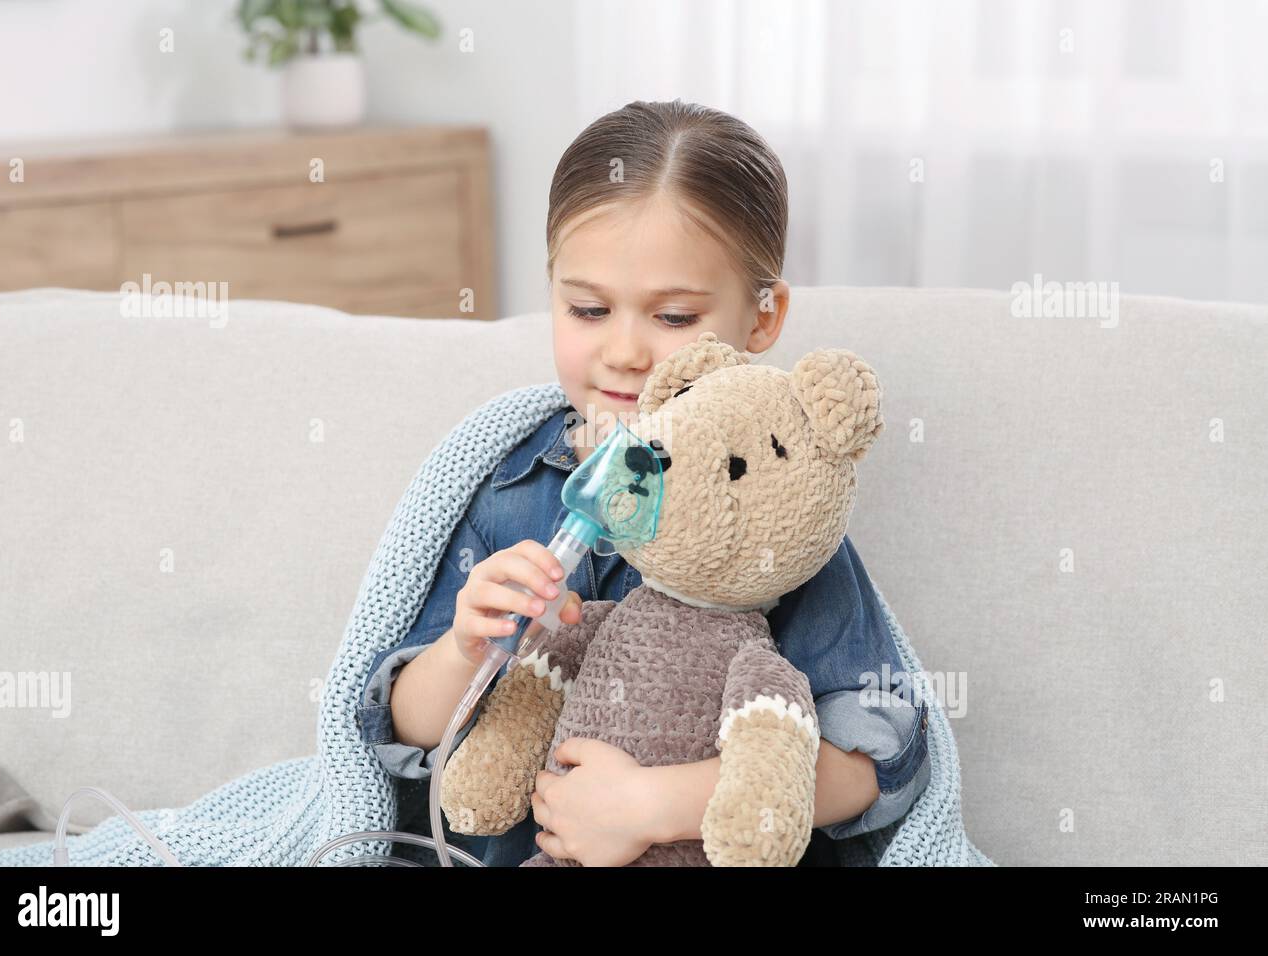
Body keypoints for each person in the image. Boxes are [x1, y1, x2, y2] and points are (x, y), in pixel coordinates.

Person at [356, 99, 930, 867]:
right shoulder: (507, 486)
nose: (624, 351)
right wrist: (466, 648)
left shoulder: (775, 507)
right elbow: (406, 727)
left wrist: (655, 806)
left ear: (763, 318)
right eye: (587, 309)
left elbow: (870, 758)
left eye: (672, 316)